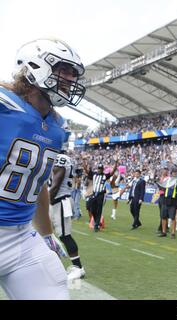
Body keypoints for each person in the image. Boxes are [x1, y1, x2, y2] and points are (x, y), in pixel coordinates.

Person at [0, 38, 86, 299]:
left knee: (54, 287)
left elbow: (37, 184)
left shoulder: (57, 126)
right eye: (65, 69)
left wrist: (47, 234)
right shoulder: (5, 105)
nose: (71, 79)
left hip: (21, 237)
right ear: (36, 66)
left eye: (74, 73)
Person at [48, 150, 86, 281]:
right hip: (54, 200)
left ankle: (78, 268)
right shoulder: (55, 157)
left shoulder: (61, 159)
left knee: (65, 236)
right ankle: (53, 264)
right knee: (46, 235)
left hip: (59, 200)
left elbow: (56, 185)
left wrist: (44, 202)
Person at [82, 158, 118, 232]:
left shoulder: (105, 175)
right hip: (94, 193)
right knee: (90, 207)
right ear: (97, 169)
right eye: (99, 169)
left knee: (99, 210)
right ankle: (96, 221)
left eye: (101, 169)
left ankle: (96, 225)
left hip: (101, 194)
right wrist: (84, 161)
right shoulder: (94, 174)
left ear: (102, 169)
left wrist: (116, 163)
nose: (99, 170)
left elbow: (113, 171)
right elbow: (86, 169)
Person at [158, 167, 177, 239]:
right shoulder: (167, 180)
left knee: (173, 218)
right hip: (165, 200)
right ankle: (164, 232)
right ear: (171, 173)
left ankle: (173, 233)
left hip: (173, 201)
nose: (174, 174)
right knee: (163, 217)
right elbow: (161, 187)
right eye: (173, 172)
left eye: (176, 173)